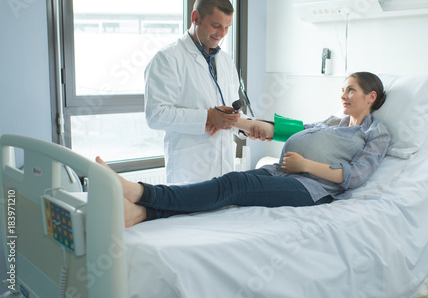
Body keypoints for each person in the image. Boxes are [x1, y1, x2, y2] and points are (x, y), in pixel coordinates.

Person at [99, 72, 391, 228]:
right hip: (281, 173)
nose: (343, 95)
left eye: (350, 89)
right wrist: (238, 121)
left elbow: (355, 176)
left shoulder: (375, 132)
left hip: (310, 189)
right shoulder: (332, 120)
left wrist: (305, 165)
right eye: (343, 89)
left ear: (371, 96)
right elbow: (290, 128)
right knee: (228, 189)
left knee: (233, 184)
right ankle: (141, 214)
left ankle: (141, 193)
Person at [144, 0, 242, 184]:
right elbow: (156, 115)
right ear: (195, 18)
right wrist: (207, 117)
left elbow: (227, 110)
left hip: (225, 169)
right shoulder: (168, 58)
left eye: (227, 27)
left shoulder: (226, 61)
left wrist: (246, 127)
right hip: (188, 172)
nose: (221, 34)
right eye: (215, 25)